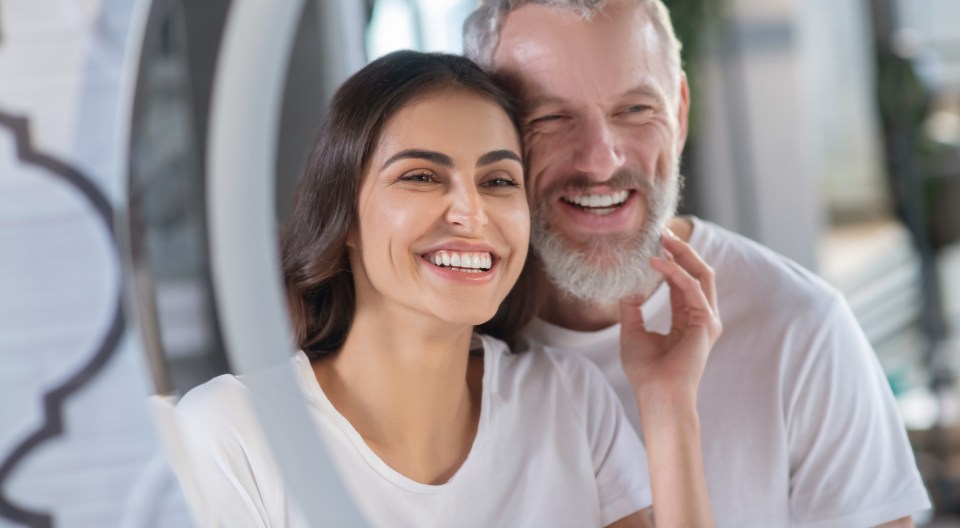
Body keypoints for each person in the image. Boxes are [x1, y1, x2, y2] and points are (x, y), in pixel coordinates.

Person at [463, 0, 932, 528]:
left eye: (635, 110)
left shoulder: (799, 327)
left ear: (680, 113)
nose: (601, 160)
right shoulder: (451, 344)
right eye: (550, 118)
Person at [175, 51, 722, 527]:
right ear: (343, 218)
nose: (471, 213)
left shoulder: (567, 401)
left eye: (498, 181)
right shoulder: (234, 435)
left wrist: (669, 404)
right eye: (421, 176)